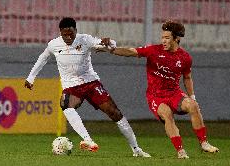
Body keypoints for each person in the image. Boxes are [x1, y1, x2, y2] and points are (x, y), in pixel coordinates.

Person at [24, 17, 150, 157]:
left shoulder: (85, 40)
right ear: (60, 32)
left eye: (71, 33)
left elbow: (108, 45)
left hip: (90, 82)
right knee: (65, 104)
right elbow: (43, 58)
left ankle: (136, 149)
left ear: (76, 30)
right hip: (71, 86)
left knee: (114, 113)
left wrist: (109, 42)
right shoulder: (54, 44)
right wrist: (30, 78)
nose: (68, 37)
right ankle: (88, 140)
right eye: (65, 34)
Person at [96, 20, 219, 159]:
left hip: (174, 93)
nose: (163, 41)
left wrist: (192, 96)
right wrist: (111, 50)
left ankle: (204, 143)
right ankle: (180, 151)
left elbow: (187, 78)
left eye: (167, 38)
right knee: (166, 114)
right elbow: (131, 51)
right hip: (155, 96)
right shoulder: (154, 51)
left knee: (193, 106)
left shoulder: (185, 58)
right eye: (162, 37)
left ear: (176, 39)